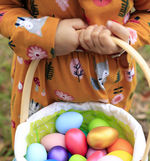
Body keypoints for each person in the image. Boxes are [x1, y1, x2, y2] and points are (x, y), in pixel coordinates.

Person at [0, 0, 150, 146]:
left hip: (109, 82)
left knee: (108, 145)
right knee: (33, 145)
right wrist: (46, 33)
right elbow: (5, 6)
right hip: (39, 82)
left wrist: (125, 37)